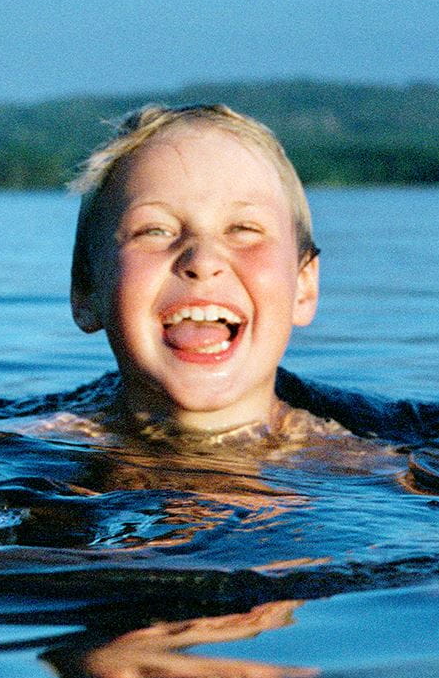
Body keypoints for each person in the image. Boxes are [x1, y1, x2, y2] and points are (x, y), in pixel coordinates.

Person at [68, 103, 323, 444]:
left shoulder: (390, 468)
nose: (202, 260)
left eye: (243, 228)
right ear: (85, 291)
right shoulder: (8, 455)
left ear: (303, 286)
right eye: (154, 230)